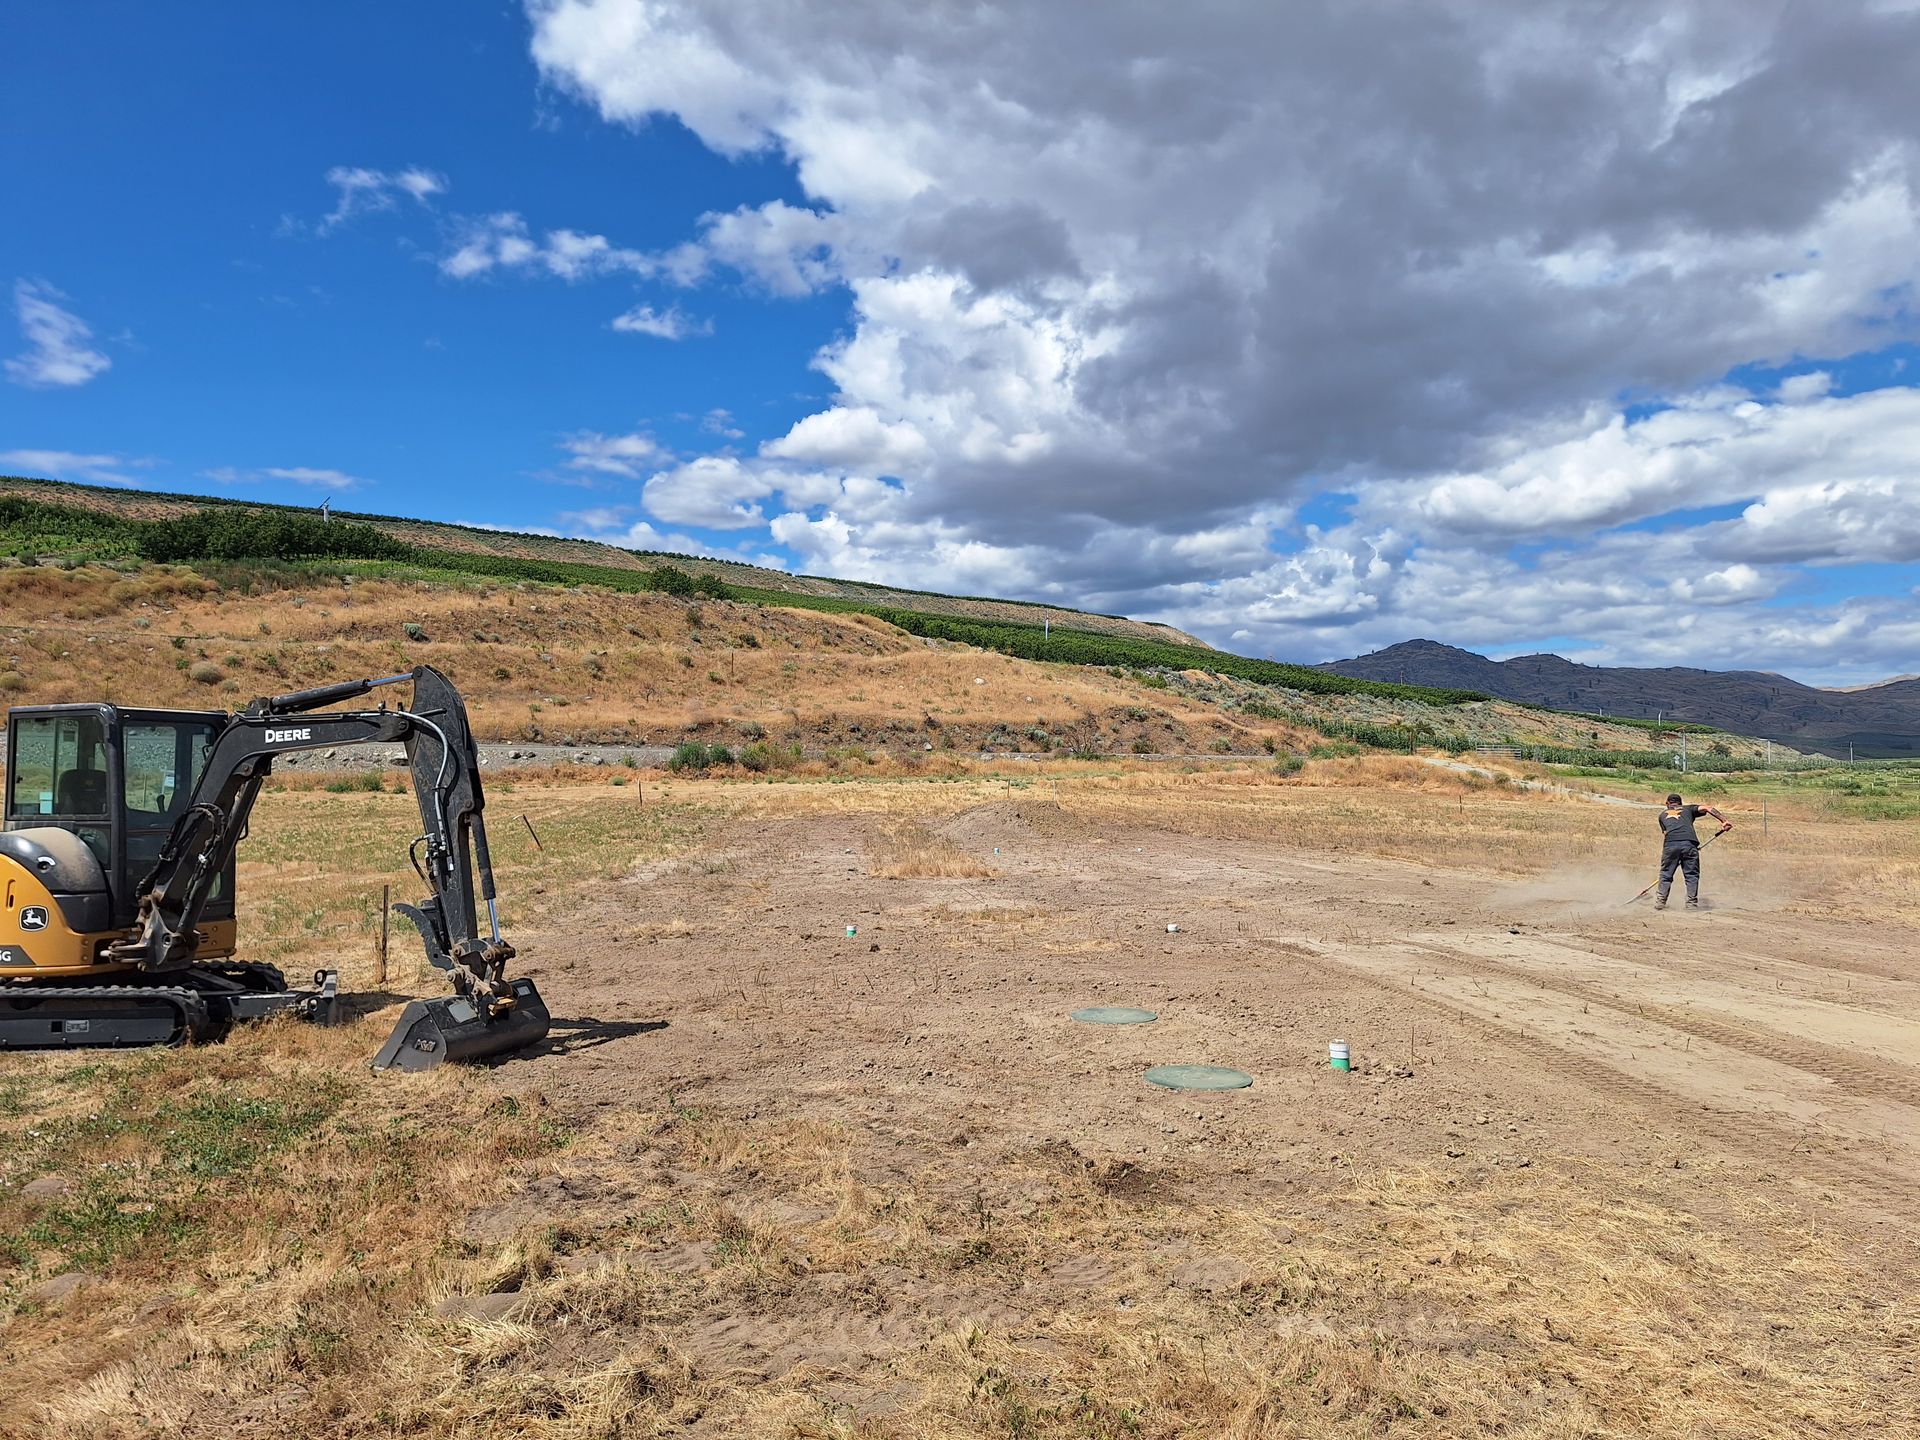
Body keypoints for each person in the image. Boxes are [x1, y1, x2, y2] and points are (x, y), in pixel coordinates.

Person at [1654, 792, 1731, 910]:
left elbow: (1666, 833)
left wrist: (1676, 854)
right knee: (1691, 875)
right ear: (1680, 803)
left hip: (1671, 845)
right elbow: (1708, 808)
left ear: (1667, 804)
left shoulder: (1661, 815)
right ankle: (1691, 904)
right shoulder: (1688, 809)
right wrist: (1724, 821)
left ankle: (1660, 902)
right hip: (1689, 844)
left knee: (1666, 874)